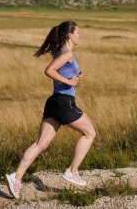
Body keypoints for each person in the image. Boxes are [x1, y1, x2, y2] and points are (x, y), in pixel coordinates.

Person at [5, 20, 97, 199]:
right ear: (70, 35)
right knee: (90, 133)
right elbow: (49, 70)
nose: (80, 35)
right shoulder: (67, 53)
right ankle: (72, 171)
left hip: (54, 102)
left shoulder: (61, 51)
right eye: (78, 32)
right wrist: (70, 82)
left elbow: (59, 73)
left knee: (41, 143)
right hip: (64, 103)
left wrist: (73, 78)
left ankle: (15, 178)